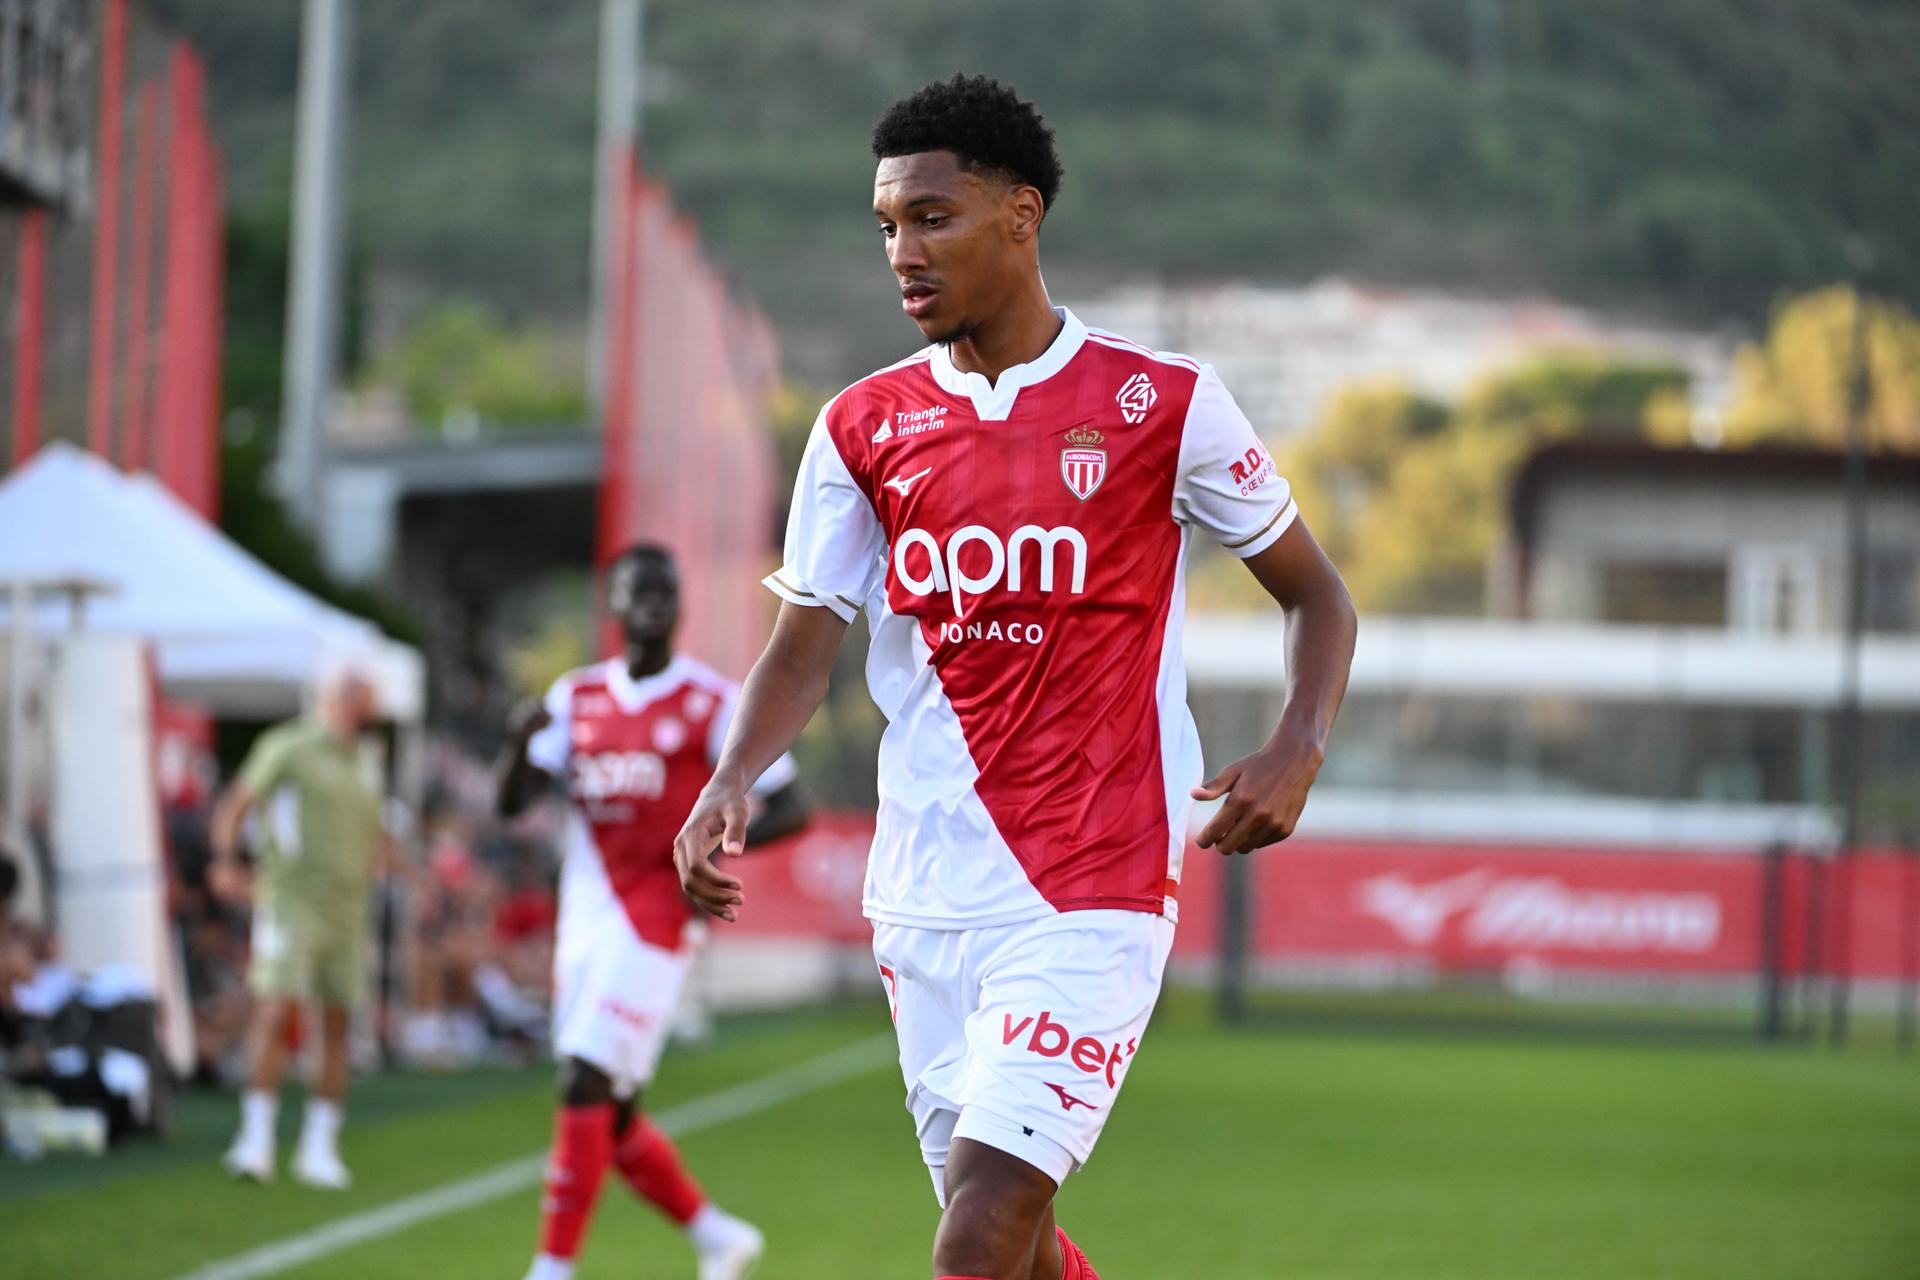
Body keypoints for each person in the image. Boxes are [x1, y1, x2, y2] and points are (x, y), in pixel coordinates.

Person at [674, 74, 1357, 1280]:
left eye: (932, 217)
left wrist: (1299, 741)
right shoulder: (859, 428)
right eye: (887, 224)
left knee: (978, 1228)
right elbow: (802, 645)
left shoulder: (1163, 404)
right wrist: (732, 774)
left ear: (1021, 214)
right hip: (923, 891)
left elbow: (1319, 594)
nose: (903, 251)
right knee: (1019, 1240)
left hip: (1094, 882)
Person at [499, 542, 811, 1280]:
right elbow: (512, 804)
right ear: (610, 604)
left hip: (658, 920)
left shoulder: (712, 700)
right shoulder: (576, 697)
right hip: (584, 920)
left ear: (680, 606)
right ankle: (717, 1237)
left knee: (584, 1078)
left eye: (662, 592)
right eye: (635, 592)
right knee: (610, 1111)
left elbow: (792, 806)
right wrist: (516, 746)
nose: (649, 605)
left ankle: (551, 1268)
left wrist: (708, 856)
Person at [210, 668, 395, 1189]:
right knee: (274, 1008)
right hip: (292, 897)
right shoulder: (290, 746)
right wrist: (227, 860)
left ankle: (319, 1147)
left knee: (336, 1022)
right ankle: (255, 1139)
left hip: (349, 906)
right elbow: (238, 801)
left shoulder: (366, 762)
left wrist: (390, 864)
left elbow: (375, 834)